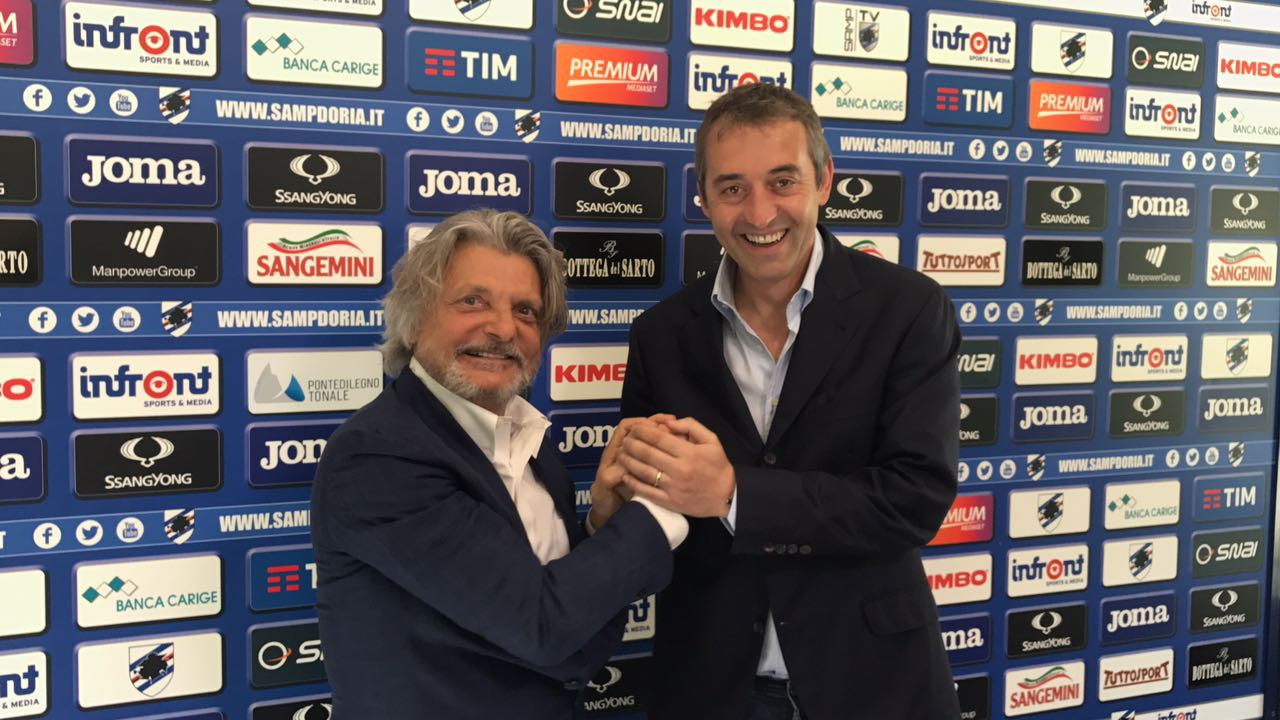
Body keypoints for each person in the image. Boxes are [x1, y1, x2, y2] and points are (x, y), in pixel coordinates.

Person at [602, 83, 962, 719]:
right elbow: (649, 518)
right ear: (703, 198)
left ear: (824, 181)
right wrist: (613, 512)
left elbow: (914, 499)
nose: (760, 213)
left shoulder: (908, 309)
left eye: (782, 181)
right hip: (709, 687)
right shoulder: (661, 335)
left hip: (873, 681)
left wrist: (733, 494)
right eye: (732, 188)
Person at [310, 209, 687, 719]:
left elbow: (578, 639)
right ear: (415, 317)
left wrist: (604, 525)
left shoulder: (531, 444)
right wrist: (663, 508)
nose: (504, 328)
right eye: (473, 301)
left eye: (526, 311)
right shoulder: (377, 456)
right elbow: (544, 626)